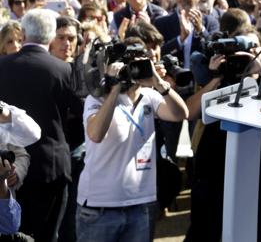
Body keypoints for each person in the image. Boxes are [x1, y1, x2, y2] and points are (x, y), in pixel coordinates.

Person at [76, 38, 188, 242]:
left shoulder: (149, 96)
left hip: (140, 204)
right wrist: (114, 88)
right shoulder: (97, 99)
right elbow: (96, 134)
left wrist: (158, 81)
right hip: (100, 208)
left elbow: (180, 113)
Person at [0, 9, 74, 241]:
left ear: (22, 34)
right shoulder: (63, 69)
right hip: (49, 166)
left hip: (8, 166)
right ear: (52, 36)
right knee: (47, 235)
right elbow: (77, 118)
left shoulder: (2, 66)